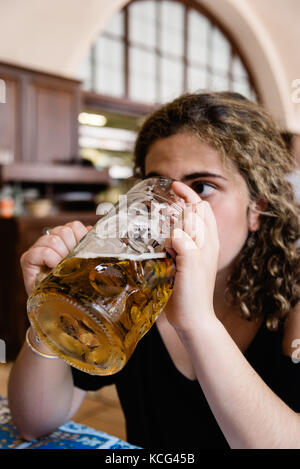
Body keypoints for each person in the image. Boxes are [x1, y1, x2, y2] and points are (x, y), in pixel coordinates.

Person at [8, 91, 300, 449]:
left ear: (257, 208)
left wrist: (196, 322)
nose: (171, 211)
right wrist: (51, 317)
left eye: (202, 188)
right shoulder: (129, 295)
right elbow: (33, 423)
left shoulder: (294, 299)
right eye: (157, 188)